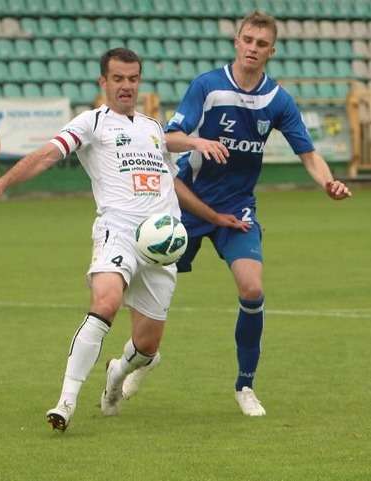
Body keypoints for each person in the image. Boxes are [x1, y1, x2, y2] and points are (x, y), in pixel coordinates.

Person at [0, 48, 243, 431]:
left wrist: (214, 217)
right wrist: (1, 183)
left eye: (132, 79)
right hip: (118, 231)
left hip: (163, 244)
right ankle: (65, 402)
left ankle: (117, 374)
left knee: (147, 347)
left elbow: (173, 184)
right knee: (107, 300)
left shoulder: (153, 129)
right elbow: (48, 155)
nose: (126, 86)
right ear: (103, 82)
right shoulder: (92, 123)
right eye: (118, 79)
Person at [129, 10, 350, 417]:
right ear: (237, 41)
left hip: (238, 209)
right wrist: (198, 142)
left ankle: (245, 387)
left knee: (252, 290)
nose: (252, 48)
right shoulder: (208, 86)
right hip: (187, 204)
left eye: (261, 44)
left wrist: (328, 183)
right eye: (247, 40)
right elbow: (171, 136)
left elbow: (308, 153)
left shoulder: (278, 100)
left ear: (272, 50)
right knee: (152, 296)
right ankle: (140, 356)